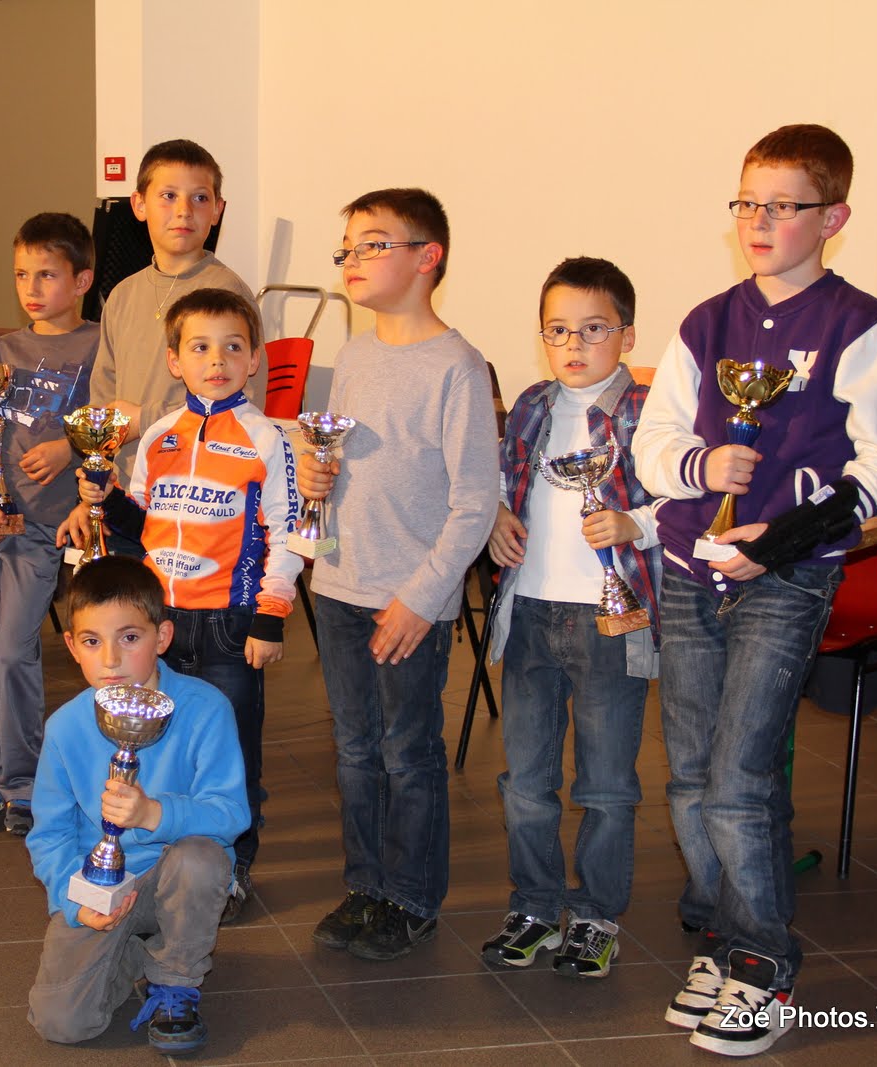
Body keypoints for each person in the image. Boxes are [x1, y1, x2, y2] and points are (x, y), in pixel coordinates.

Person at [632, 124, 877, 1057]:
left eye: (783, 206)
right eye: (747, 202)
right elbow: (653, 442)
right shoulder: (706, 322)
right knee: (690, 775)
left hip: (787, 578)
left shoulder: (860, 326)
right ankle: (722, 938)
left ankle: (765, 962)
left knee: (740, 778)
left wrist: (788, 536)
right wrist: (699, 464)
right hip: (690, 569)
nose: (759, 221)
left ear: (832, 217)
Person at [295, 188, 495, 961]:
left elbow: (475, 503)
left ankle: (410, 898)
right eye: (346, 247)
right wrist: (316, 475)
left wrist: (422, 597)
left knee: (408, 754)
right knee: (354, 750)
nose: (352, 259)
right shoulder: (353, 355)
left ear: (426, 257)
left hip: (410, 597)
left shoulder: (457, 367)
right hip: (341, 586)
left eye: (372, 244)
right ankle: (365, 886)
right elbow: (339, 461)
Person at [61, 287, 298, 922]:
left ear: (254, 360)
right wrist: (106, 497)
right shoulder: (160, 435)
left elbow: (287, 533)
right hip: (158, 626)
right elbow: (143, 527)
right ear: (175, 361)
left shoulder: (266, 438)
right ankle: (161, 857)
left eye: (233, 347)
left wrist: (270, 615)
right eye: (200, 347)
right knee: (161, 746)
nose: (216, 360)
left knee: (232, 752)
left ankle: (233, 867)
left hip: (229, 626)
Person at [481, 257, 661, 979]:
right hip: (530, 611)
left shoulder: (647, 410)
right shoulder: (531, 404)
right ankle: (534, 903)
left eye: (593, 329)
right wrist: (496, 515)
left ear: (627, 334)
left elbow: (686, 501)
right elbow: (500, 479)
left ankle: (595, 915)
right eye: (558, 330)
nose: (574, 344)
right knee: (525, 781)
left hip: (609, 622)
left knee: (606, 784)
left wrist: (636, 523)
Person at [26, 555, 247, 1055]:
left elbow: (231, 814)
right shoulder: (64, 728)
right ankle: (134, 951)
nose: (110, 660)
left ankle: (175, 981)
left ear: (162, 637)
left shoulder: (205, 708)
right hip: (103, 886)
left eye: (129, 637)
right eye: (92, 641)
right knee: (63, 1022)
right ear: (71, 646)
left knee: (200, 857)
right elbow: (51, 834)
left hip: (178, 873)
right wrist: (75, 901)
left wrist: (154, 814)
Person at [0, 211, 95, 829]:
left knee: (12, 650)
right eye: (21, 274)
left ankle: (24, 780)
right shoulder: (0, 352)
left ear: (81, 280)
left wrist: (69, 449)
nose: (31, 288)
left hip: (39, 528)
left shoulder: (99, 349)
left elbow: (114, 429)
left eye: (47, 275)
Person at [87, 139, 261, 552]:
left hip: (196, 497)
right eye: (168, 196)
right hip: (127, 495)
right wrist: (97, 485)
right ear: (139, 205)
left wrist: (144, 419)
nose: (184, 210)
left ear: (217, 210)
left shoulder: (227, 294)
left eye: (200, 198)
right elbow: (103, 399)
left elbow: (247, 405)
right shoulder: (122, 295)